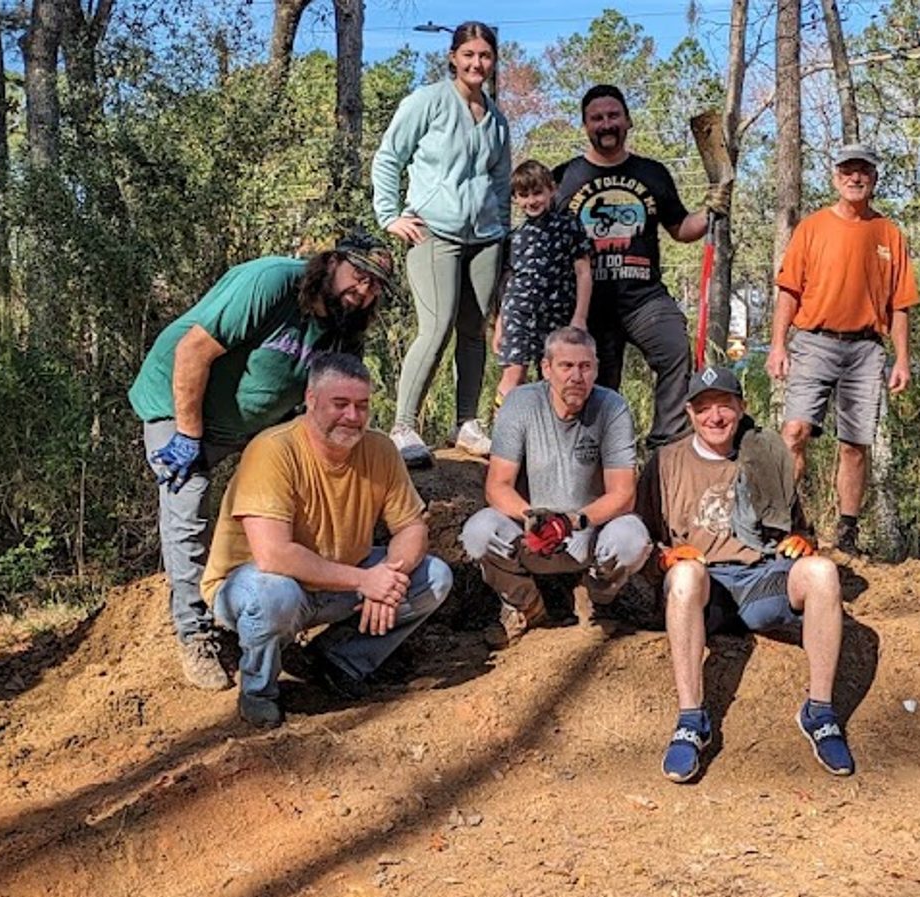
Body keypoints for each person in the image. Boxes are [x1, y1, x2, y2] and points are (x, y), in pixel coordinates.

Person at [129, 237, 398, 692]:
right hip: (181, 406)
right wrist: (187, 434)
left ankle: (261, 616)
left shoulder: (345, 326)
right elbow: (193, 350)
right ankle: (195, 633)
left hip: (258, 425)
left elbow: (333, 400)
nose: (365, 289)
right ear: (332, 262)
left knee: (279, 514)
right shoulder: (272, 283)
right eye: (359, 274)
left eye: (376, 285)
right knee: (187, 509)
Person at [201, 353, 454, 729]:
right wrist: (365, 582)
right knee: (274, 595)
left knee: (434, 577)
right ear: (311, 399)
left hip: (339, 580)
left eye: (362, 406)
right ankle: (259, 689)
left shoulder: (380, 450)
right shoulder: (274, 450)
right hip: (256, 586)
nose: (353, 416)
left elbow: (411, 527)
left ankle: (339, 660)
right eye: (340, 404)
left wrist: (388, 576)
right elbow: (273, 555)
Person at [636, 366, 854, 783]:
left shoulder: (765, 453)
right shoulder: (665, 462)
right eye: (703, 408)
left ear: (741, 408)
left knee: (823, 572)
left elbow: (797, 529)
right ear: (688, 412)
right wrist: (664, 558)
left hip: (760, 582)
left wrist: (801, 542)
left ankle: (820, 711)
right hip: (704, 591)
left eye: (725, 406)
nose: (715, 417)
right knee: (684, 577)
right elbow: (641, 539)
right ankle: (690, 719)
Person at [554, 84, 731, 450]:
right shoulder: (564, 178)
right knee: (592, 381)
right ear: (585, 125)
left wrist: (711, 209)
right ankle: (594, 453)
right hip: (587, 306)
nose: (606, 124)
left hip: (644, 299)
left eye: (613, 116)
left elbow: (681, 229)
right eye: (597, 118)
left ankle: (667, 445)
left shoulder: (652, 173)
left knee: (674, 349)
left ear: (628, 121)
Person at [371, 21, 512, 468]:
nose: (477, 63)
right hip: (434, 232)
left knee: (474, 332)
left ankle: (466, 423)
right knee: (435, 327)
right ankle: (403, 425)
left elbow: (502, 181)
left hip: (486, 237)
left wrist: (504, 236)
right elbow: (389, 156)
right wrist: (389, 215)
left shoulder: (497, 119)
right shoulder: (427, 102)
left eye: (485, 56)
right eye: (468, 55)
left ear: (493, 61)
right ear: (453, 57)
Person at [768, 143, 920, 556]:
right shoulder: (813, 227)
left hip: (866, 349)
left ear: (873, 178)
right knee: (794, 432)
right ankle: (782, 522)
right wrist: (778, 345)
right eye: (847, 171)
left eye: (863, 171)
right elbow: (788, 291)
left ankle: (848, 532)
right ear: (835, 177)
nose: (855, 178)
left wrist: (902, 358)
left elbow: (900, 303)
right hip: (814, 341)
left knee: (854, 444)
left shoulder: (888, 234)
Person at [459, 327, 648, 645]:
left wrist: (572, 521)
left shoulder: (612, 407)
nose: (576, 376)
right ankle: (526, 604)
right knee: (478, 532)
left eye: (585, 367)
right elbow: (498, 486)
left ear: (596, 369)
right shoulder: (520, 403)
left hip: (589, 533)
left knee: (633, 538)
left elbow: (623, 493)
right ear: (547, 369)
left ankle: (597, 598)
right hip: (531, 532)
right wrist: (532, 517)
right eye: (566, 366)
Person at [485, 161, 594, 418]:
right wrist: (500, 323)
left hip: (558, 315)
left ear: (551, 190)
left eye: (537, 193)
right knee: (514, 374)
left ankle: (553, 437)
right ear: (515, 198)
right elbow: (508, 282)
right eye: (523, 195)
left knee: (557, 375)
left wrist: (579, 316)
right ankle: (505, 436)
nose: (531, 201)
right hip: (519, 315)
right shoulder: (515, 236)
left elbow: (584, 272)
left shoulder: (569, 226)